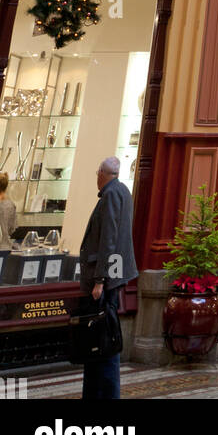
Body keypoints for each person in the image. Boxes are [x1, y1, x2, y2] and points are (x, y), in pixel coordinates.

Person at [78, 156, 138, 400]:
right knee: (103, 336)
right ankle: (95, 393)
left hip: (104, 280)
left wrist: (101, 280)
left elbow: (110, 239)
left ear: (102, 174)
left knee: (103, 339)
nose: (96, 177)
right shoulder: (122, 190)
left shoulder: (112, 194)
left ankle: (105, 394)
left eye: (96, 173)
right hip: (113, 275)